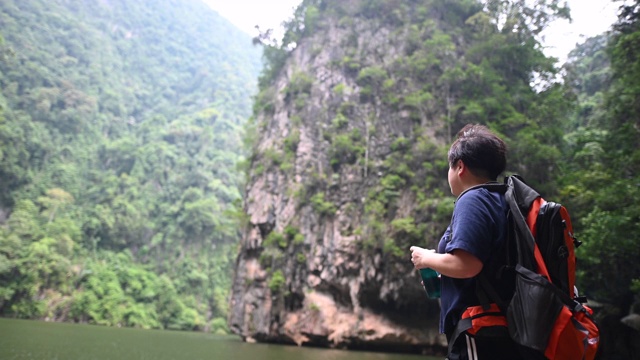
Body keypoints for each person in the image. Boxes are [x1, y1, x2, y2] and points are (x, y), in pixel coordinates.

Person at [410, 124, 521, 360]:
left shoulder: (473, 199)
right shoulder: (499, 199)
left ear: (460, 166)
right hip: (497, 327)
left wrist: (426, 258)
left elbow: (467, 265)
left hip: (479, 330)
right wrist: (445, 276)